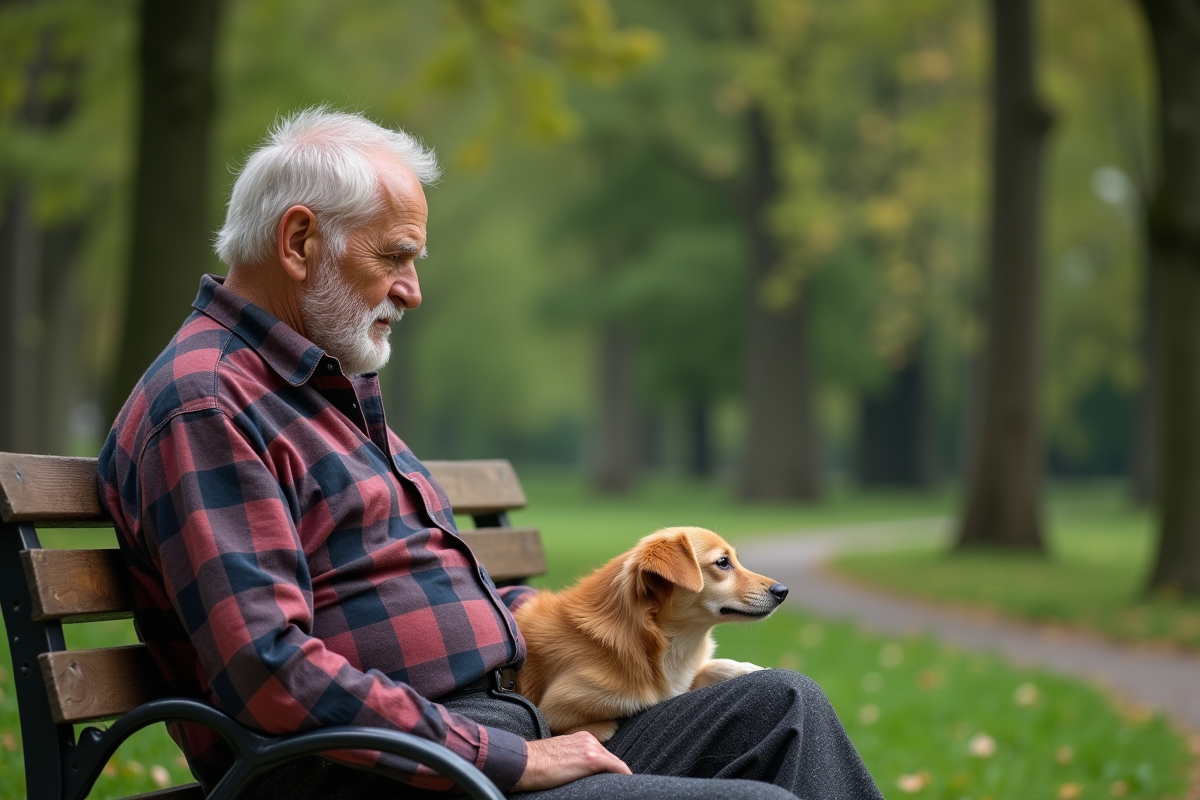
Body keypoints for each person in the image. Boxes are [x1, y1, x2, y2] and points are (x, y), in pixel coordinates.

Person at [98, 107, 884, 800]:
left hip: (492, 724)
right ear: (300, 240)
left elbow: (405, 587)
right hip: (378, 772)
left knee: (786, 709)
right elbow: (272, 672)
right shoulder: (208, 406)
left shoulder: (311, 390)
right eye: (394, 257)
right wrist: (509, 759)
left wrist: (591, 619)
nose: (411, 290)